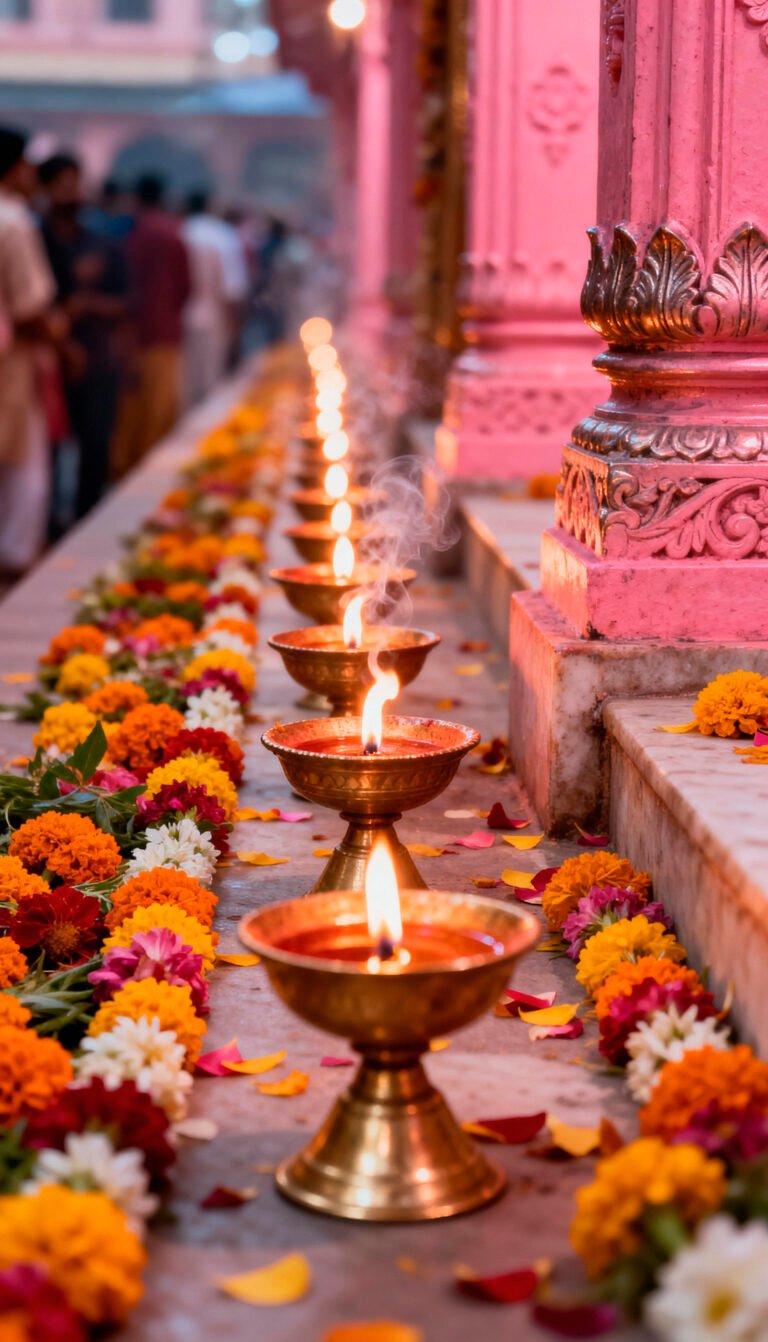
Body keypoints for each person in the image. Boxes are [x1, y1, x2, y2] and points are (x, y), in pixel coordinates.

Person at [38, 151, 127, 521]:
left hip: (95, 357)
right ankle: (47, 522)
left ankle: (85, 518)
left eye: (74, 184)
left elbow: (126, 302)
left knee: (94, 445)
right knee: (45, 451)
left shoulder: (101, 244)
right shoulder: (34, 239)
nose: (69, 193)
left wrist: (87, 304)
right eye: (61, 185)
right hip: (47, 360)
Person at [0, 126, 58, 579]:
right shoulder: (13, 219)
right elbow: (29, 304)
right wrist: (61, 338)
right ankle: (15, 560)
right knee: (22, 466)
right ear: (17, 168)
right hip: (11, 360)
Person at [110, 173, 190, 478]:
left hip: (126, 332)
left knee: (128, 412)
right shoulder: (172, 233)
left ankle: (123, 472)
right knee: (158, 410)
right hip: (164, 331)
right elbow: (185, 287)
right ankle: (151, 473)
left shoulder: (125, 231)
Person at [181, 190, 227, 406]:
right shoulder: (219, 235)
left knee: (187, 378)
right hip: (210, 310)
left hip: (182, 312)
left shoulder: (181, 232)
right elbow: (222, 283)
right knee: (208, 376)